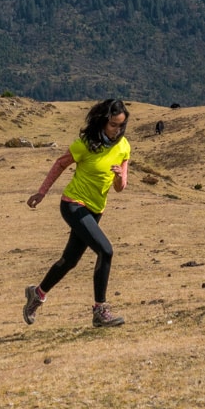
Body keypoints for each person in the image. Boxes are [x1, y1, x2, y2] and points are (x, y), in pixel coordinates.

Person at [22, 98, 130, 328]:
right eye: (113, 124)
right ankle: (100, 310)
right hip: (73, 204)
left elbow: (120, 187)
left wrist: (120, 176)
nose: (117, 130)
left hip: (95, 209)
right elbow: (60, 164)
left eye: (121, 125)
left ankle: (37, 294)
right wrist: (42, 193)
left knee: (69, 260)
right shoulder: (85, 143)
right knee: (106, 250)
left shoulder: (124, 147)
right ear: (102, 122)